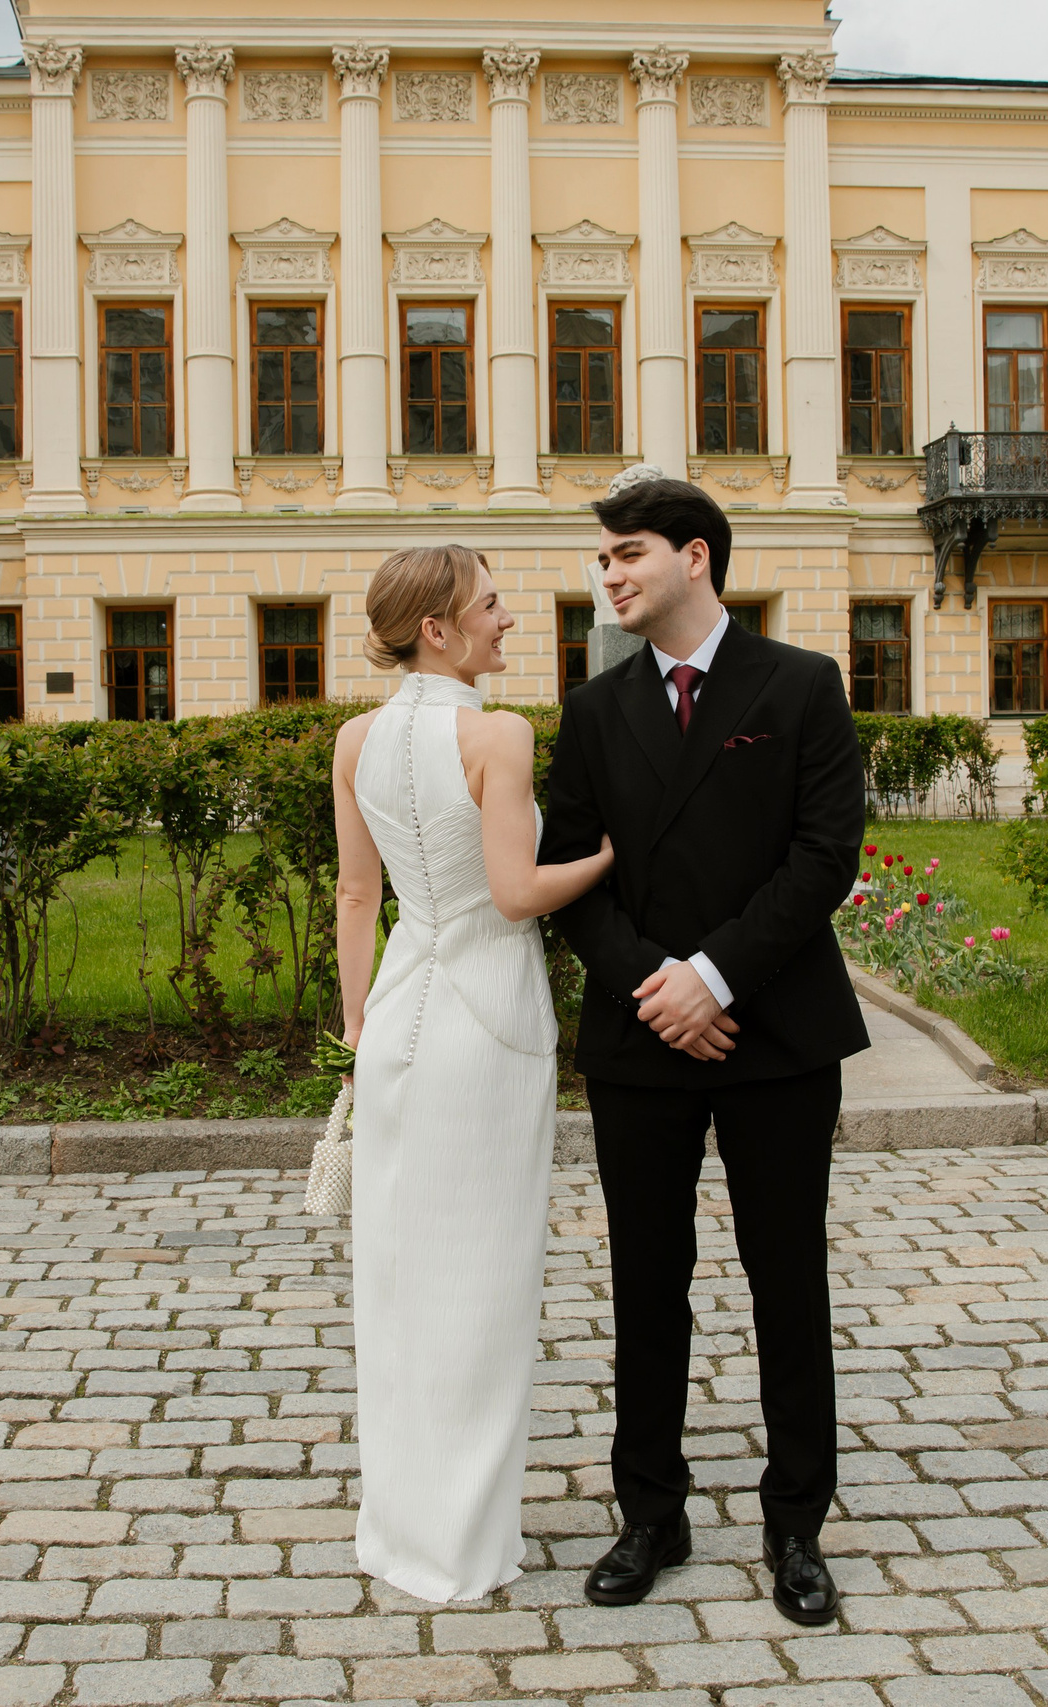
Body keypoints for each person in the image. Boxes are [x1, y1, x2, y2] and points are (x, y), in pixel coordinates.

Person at [540, 469, 869, 1626]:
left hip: (775, 1028)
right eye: (603, 558)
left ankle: (796, 1523)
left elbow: (824, 857)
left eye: (627, 552)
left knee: (787, 1279)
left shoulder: (800, 684)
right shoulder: (593, 709)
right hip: (642, 1037)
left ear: (695, 558)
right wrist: (656, 987)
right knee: (646, 1282)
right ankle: (651, 1512)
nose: (609, 575)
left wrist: (715, 976)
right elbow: (569, 874)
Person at [332, 544, 616, 1603]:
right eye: (492, 604)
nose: (508, 618)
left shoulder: (354, 740)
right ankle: (464, 1546)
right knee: (486, 1287)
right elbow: (513, 892)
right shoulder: (499, 735)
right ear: (437, 629)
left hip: (398, 1018)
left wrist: (355, 1026)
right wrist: (609, 856)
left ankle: (401, 1529)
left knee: (398, 1283)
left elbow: (356, 896)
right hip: (488, 1028)